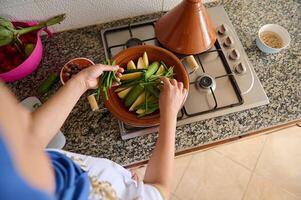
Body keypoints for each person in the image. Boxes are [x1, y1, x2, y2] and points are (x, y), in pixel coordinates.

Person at [0, 63, 187, 200]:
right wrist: (169, 113)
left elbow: (31, 139)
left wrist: (82, 82)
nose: (26, 115)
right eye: (21, 117)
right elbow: (160, 188)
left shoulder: (25, 169)